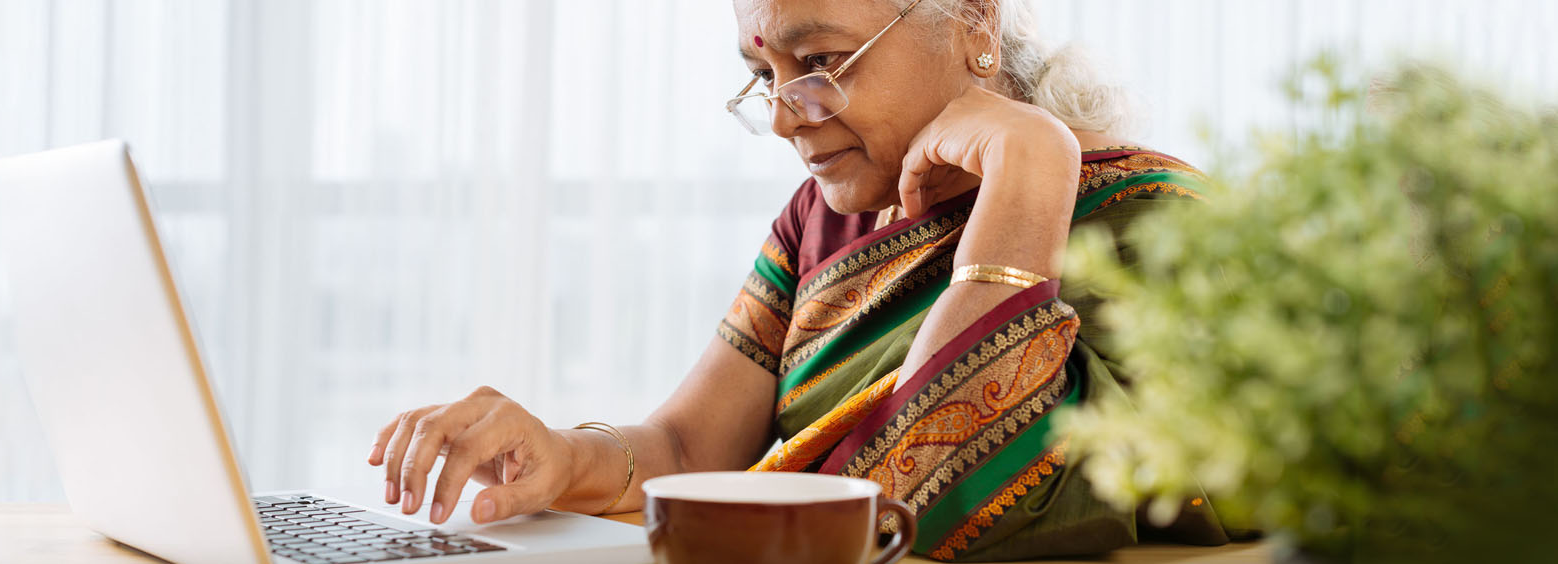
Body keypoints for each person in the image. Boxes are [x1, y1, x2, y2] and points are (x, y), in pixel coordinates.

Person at [369, 0, 1237, 559]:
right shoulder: (820, 219)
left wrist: (1030, 163)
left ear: (974, 24)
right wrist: (561, 458)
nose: (786, 117)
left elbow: (923, 504)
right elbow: (686, 453)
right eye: (762, 77)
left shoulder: (1149, 220)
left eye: (819, 61)